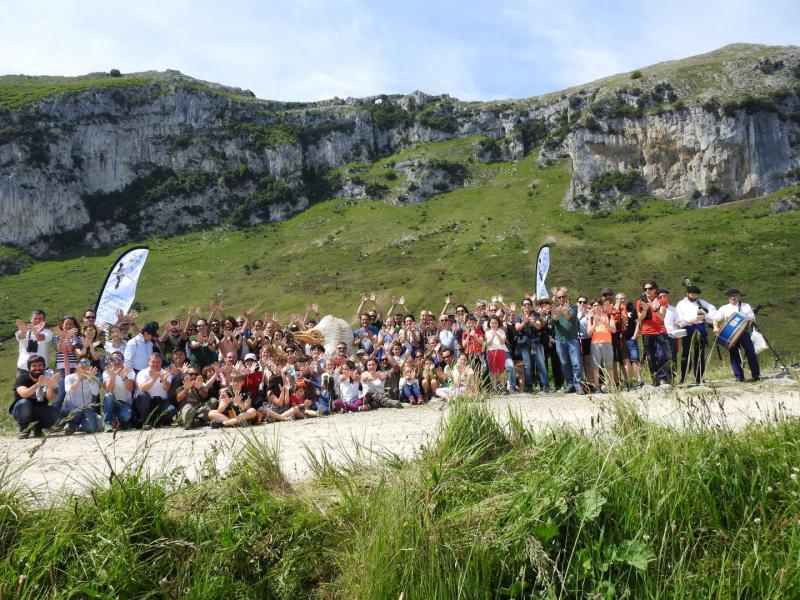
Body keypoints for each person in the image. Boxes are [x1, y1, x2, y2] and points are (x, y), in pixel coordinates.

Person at [714, 288, 761, 382]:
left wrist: (749, 320)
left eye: (735, 295)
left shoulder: (745, 306)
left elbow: (752, 319)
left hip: (744, 332)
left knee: (751, 352)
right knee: (734, 355)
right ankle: (739, 377)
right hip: (730, 334)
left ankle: (756, 375)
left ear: (739, 296)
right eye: (730, 296)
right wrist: (716, 327)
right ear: (728, 297)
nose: (733, 297)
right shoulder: (724, 308)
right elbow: (716, 319)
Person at [10, 354, 60, 438]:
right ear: (29, 368)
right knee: (24, 403)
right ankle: (24, 429)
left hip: (40, 409)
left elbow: (50, 398)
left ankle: (38, 427)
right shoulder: (22, 379)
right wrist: (38, 384)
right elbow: (24, 394)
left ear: (44, 367)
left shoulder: (48, 378)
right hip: (22, 410)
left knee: (57, 416)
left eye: (40, 365)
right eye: (34, 366)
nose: (37, 368)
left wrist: (50, 385)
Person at [675, 285, 716, 384]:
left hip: (700, 327)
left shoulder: (702, 303)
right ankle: (683, 377)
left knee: (700, 354)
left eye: (696, 295)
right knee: (686, 353)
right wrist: (688, 320)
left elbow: (714, 311)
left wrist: (705, 316)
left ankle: (699, 378)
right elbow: (678, 317)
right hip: (687, 327)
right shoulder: (681, 304)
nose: (694, 296)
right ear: (687, 294)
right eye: (692, 294)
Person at [635, 281, 671, 385]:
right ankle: (654, 379)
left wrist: (655, 310)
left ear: (655, 289)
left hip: (660, 330)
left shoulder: (661, 300)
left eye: (650, 288)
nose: (647, 291)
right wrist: (646, 310)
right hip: (647, 331)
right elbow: (640, 319)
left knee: (662, 355)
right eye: (645, 289)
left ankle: (663, 377)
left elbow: (663, 317)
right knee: (650, 357)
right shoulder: (640, 302)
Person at [551, 288, 583, 394]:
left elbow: (571, 318)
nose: (561, 299)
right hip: (560, 340)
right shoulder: (555, 308)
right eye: (559, 297)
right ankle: (570, 385)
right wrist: (556, 314)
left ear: (567, 297)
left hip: (572, 339)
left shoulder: (573, 307)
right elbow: (554, 321)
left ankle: (578, 385)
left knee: (576, 363)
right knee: (564, 363)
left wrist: (565, 313)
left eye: (563, 296)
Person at [134, 353, 175, 429]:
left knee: (171, 410)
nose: (155, 364)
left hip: (161, 401)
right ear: (148, 362)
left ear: (161, 362)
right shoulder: (142, 373)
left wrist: (163, 380)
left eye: (158, 362)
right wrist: (154, 379)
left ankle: (156, 422)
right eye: (153, 362)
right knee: (141, 395)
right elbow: (142, 388)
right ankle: (145, 421)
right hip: (147, 401)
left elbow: (167, 388)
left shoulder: (166, 373)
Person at [61, 358, 101, 434]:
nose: (84, 365)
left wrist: (91, 379)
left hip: (86, 408)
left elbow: (95, 393)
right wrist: (79, 379)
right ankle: (72, 425)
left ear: (90, 366)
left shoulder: (94, 378)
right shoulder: (69, 377)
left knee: (90, 429)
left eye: (87, 363)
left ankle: (80, 425)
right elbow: (69, 391)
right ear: (77, 366)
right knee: (76, 412)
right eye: (82, 363)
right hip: (71, 408)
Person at [586, 299, 617, 390]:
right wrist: (594, 325)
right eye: (594, 306)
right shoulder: (591, 318)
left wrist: (605, 324)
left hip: (607, 342)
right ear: (592, 308)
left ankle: (612, 386)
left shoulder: (608, 316)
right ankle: (597, 386)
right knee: (596, 366)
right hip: (595, 344)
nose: (596, 307)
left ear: (602, 306)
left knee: (609, 366)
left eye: (598, 305)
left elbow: (614, 330)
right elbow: (588, 333)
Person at [101, 350, 135, 432]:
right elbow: (108, 389)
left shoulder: (129, 371)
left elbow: (131, 388)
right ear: (110, 361)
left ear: (123, 360)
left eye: (119, 359)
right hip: (112, 401)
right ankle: (107, 422)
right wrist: (113, 376)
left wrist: (124, 376)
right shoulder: (107, 372)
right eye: (113, 359)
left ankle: (119, 421)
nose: (117, 361)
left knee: (126, 416)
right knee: (108, 395)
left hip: (125, 402)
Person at [15, 309, 52, 379]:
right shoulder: (23, 330)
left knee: (43, 389)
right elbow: (20, 337)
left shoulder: (47, 332)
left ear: (44, 320)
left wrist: (34, 330)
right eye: (35, 318)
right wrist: (24, 331)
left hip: (41, 369)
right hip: (24, 368)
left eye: (40, 319)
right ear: (30, 319)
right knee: (22, 389)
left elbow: (40, 337)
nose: (37, 321)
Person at [484, 315, 507, 393]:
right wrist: (493, 336)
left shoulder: (502, 331)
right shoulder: (487, 332)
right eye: (492, 323)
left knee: (501, 370)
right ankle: (494, 388)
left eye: (495, 323)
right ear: (489, 324)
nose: (494, 325)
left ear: (498, 323)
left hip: (501, 351)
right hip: (491, 351)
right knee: (493, 371)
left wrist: (498, 335)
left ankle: (503, 388)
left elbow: (503, 342)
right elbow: (488, 343)